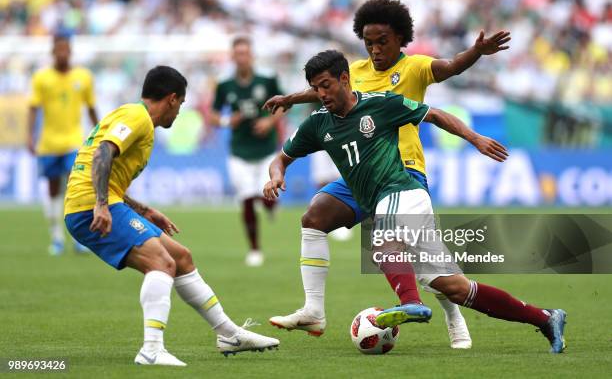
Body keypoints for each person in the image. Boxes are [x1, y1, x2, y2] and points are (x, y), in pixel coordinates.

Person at [265, 50, 566, 354]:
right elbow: (282, 158)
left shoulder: (380, 104)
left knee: (382, 239)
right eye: (315, 88)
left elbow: (433, 113)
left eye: (326, 85)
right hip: (383, 201)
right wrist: (275, 176)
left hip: (403, 191)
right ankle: (545, 318)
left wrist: (475, 138)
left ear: (345, 78)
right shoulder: (318, 124)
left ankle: (410, 303)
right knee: (454, 287)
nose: (321, 94)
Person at [64, 66, 279, 366]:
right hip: (91, 207)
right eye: (181, 104)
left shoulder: (136, 119)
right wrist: (101, 204)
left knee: (181, 258)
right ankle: (152, 349)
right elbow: (103, 153)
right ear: (172, 99)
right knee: (161, 263)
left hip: (102, 202)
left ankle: (228, 332)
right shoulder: (136, 117)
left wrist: (145, 210)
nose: (178, 113)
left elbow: (108, 172)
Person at [210, 36, 284, 267]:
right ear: (232, 57)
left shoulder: (268, 79)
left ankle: (271, 207)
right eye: (238, 54)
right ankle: (254, 249)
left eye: (245, 53)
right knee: (247, 199)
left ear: (252, 56)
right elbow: (213, 113)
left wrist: (269, 123)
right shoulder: (224, 85)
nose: (242, 58)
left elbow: (283, 103)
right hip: (239, 151)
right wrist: (226, 121)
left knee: (267, 195)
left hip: (265, 150)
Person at [28, 34, 98, 255]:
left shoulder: (83, 77)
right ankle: (57, 236)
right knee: (52, 189)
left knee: (75, 187)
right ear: (52, 52)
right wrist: (29, 136)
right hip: (48, 143)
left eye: (65, 50)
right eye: (58, 50)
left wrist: (100, 135)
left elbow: (91, 107)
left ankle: (79, 238)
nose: (62, 54)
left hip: (74, 142)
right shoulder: (41, 78)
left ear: (71, 51)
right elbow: (33, 107)